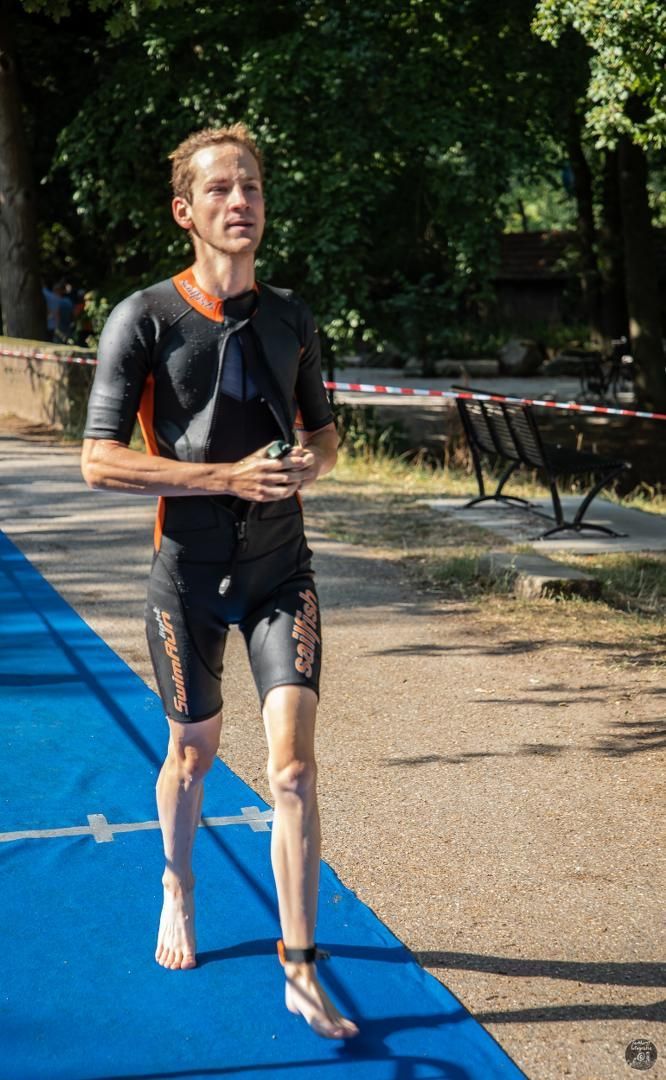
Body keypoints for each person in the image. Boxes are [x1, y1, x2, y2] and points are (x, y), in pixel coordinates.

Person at [80, 123, 358, 1041]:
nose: (241, 202)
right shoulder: (145, 318)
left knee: (292, 767)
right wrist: (227, 479)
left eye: (252, 188)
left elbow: (325, 435)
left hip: (283, 569)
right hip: (188, 574)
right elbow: (99, 462)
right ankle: (178, 883)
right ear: (185, 211)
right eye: (220, 191)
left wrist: (301, 470)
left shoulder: (291, 315)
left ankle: (300, 964)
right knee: (193, 753)